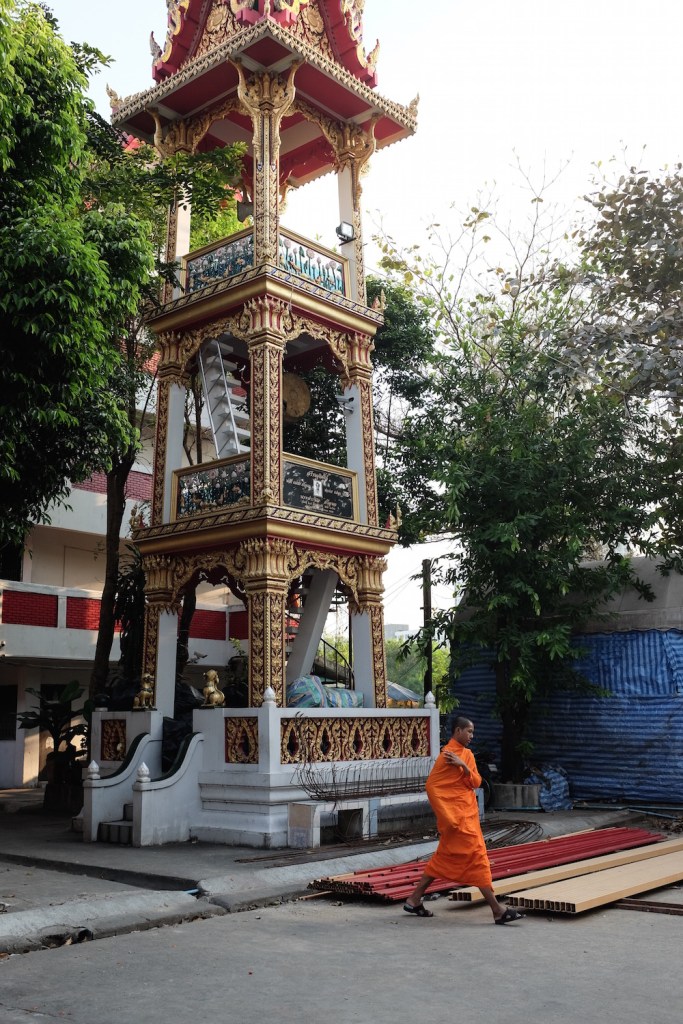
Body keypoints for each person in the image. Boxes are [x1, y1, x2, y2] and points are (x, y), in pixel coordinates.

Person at [404, 716, 525, 925]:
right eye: (469, 731)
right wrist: (448, 818)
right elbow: (432, 787)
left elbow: (476, 782)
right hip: (456, 820)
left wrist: (464, 767)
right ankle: (497, 910)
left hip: (466, 816)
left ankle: (414, 899)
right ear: (458, 731)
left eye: (472, 732)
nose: (472, 736)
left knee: (441, 859)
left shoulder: (466, 755)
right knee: (477, 858)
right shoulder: (446, 757)